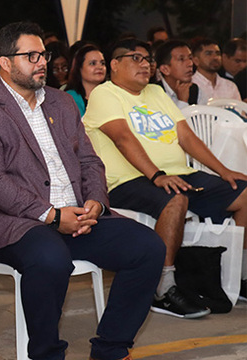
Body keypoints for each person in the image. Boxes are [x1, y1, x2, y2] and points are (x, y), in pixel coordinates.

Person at [0, 22, 165, 360]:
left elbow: (89, 160)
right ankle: (46, 355)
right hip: (19, 223)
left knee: (148, 247)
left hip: (79, 214)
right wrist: (52, 216)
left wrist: (96, 203)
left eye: (44, 54)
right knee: (51, 259)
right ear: (6, 63)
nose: (42, 62)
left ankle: (110, 349)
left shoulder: (61, 102)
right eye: (31, 55)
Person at [82, 38, 247, 318]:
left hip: (177, 175)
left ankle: (237, 275)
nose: (145, 65)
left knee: (243, 192)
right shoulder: (105, 94)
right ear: (115, 64)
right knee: (174, 199)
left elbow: (186, 137)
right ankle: (163, 288)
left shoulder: (156, 93)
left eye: (148, 60)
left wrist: (223, 170)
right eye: (136, 58)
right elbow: (123, 138)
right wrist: (156, 174)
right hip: (127, 181)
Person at [155, 40, 206, 109]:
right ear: (165, 69)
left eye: (190, 58)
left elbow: (204, 118)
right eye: (181, 59)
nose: (190, 63)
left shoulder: (195, 90)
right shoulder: (154, 93)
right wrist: (182, 101)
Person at [191, 38, 241, 103]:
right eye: (208, 54)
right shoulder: (190, 85)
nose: (215, 57)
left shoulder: (230, 86)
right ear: (196, 60)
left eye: (217, 53)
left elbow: (239, 112)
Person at [65, 43, 106, 117]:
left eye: (102, 63)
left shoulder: (111, 94)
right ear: (79, 68)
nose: (100, 67)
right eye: (93, 63)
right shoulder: (69, 98)